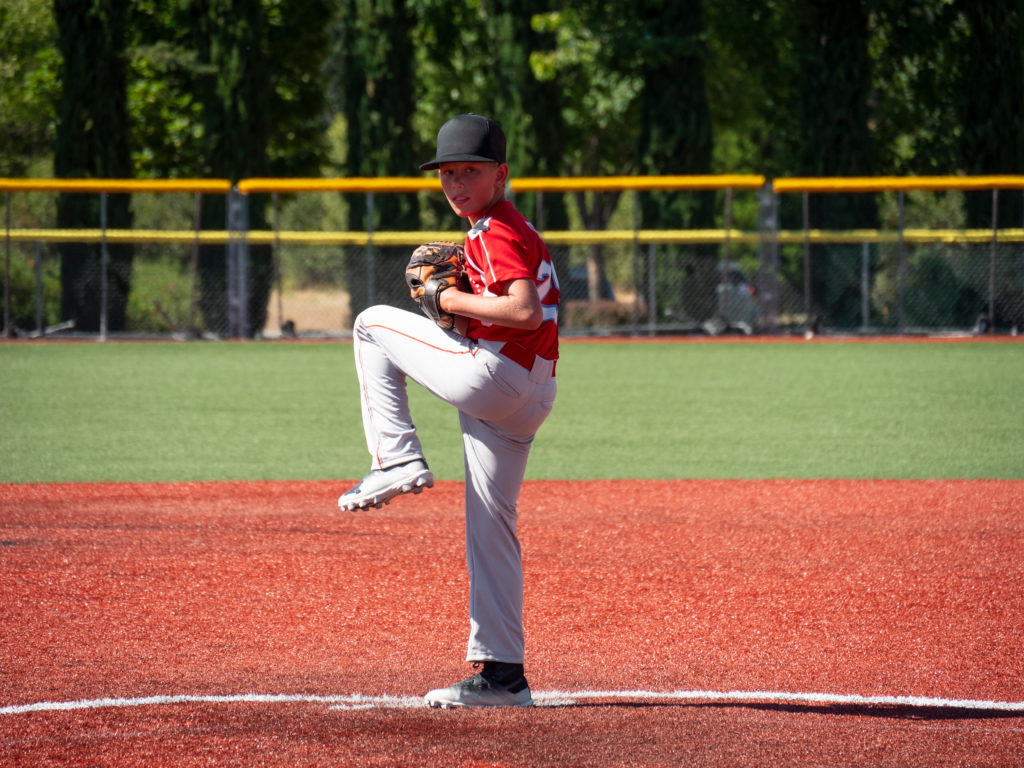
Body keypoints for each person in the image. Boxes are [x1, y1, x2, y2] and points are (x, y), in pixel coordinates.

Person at [337, 114, 560, 708]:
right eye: (448, 174)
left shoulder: (493, 230)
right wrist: (464, 311)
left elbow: (525, 311)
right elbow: (520, 313)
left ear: (501, 175)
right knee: (491, 524)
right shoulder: (511, 229)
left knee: (370, 325)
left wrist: (447, 296)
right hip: (532, 391)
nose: (457, 183)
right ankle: (503, 676)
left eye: (470, 171)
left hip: (498, 375)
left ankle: (397, 460)